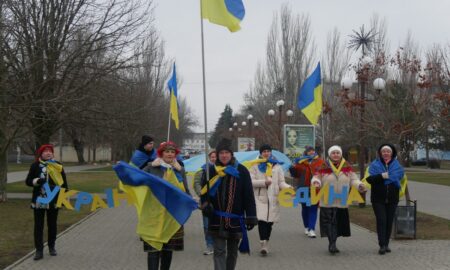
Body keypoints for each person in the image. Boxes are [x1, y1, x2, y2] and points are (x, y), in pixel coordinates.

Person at [201, 138, 257, 270]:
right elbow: (204, 192)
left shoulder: (242, 171)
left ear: (231, 154)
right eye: (221, 153)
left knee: (232, 252)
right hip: (216, 218)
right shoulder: (211, 171)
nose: (224, 155)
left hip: (235, 219)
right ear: (218, 155)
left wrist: (251, 216)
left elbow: (248, 195)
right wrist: (205, 205)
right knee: (219, 251)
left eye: (227, 152)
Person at [142, 141, 191, 270]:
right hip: (154, 214)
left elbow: (185, 191)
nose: (170, 154)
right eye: (167, 151)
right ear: (161, 153)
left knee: (168, 250)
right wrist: (150, 165)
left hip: (172, 216)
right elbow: (138, 177)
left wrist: (192, 202)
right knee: (153, 249)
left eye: (172, 152)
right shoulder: (152, 167)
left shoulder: (179, 169)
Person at [311, 145, 366, 254]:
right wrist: (316, 182)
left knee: (337, 223)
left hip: (341, 200)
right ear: (329, 155)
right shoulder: (323, 166)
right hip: (326, 199)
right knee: (329, 222)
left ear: (340, 155)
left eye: (337, 153)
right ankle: (332, 244)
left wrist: (359, 185)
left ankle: (333, 242)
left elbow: (353, 180)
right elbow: (316, 177)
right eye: (333, 153)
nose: (335, 155)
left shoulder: (347, 167)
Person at [25, 144, 68, 261]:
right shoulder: (35, 166)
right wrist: (37, 181)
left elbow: (64, 183)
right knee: (38, 226)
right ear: (41, 154)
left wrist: (63, 199)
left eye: (50, 151)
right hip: (39, 200)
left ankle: (52, 247)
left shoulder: (58, 166)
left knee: (52, 225)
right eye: (46, 151)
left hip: (54, 201)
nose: (48, 153)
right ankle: (39, 250)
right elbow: (28, 181)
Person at [249, 144, 291, 256]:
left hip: (273, 198)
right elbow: (250, 182)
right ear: (261, 153)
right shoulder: (255, 165)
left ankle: (266, 241)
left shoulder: (277, 166)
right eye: (264, 151)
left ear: (271, 152)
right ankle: (263, 244)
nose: (266, 153)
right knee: (262, 221)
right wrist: (263, 183)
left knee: (269, 223)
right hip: (260, 198)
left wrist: (288, 188)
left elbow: (281, 182)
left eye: (268, 151)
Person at [366, 143, 404, 255]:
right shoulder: (374, 165)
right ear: (380, 153)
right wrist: (382, 176)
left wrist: (390, 177)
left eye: (388, 151)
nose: (386, 153)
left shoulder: (398, 166)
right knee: (381, 220)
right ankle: (381, 245)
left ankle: (386, 244)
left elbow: (400, 177)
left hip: (392, 198)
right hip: (378, 199)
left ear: (392, 153)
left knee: (389, 221)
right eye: (384, 151)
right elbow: (370, 179)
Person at [289, 146, 324, 238]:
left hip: (315, 189)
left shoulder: (320, 162)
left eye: (313, 150)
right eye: (309, 151)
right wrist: (292, 168)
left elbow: (324, 174)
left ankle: (311, 229)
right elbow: (295, 175)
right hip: (303, 188)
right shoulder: (300, 162)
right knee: (305, 208)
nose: (311, 152)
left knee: (313, 208)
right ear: (306, 152)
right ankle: (306, 226)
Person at [193, 149, 217, 255]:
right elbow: (196, 183)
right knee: (207, 225)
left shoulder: (224, 169)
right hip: (206, 202)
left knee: (219, 223)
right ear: (209, 158)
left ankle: (219, 245)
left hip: (219, 202)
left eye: (216, 156)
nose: (214, 158)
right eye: (212, 157)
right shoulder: (203, 170)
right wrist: (202, 193)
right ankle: (210, 245)